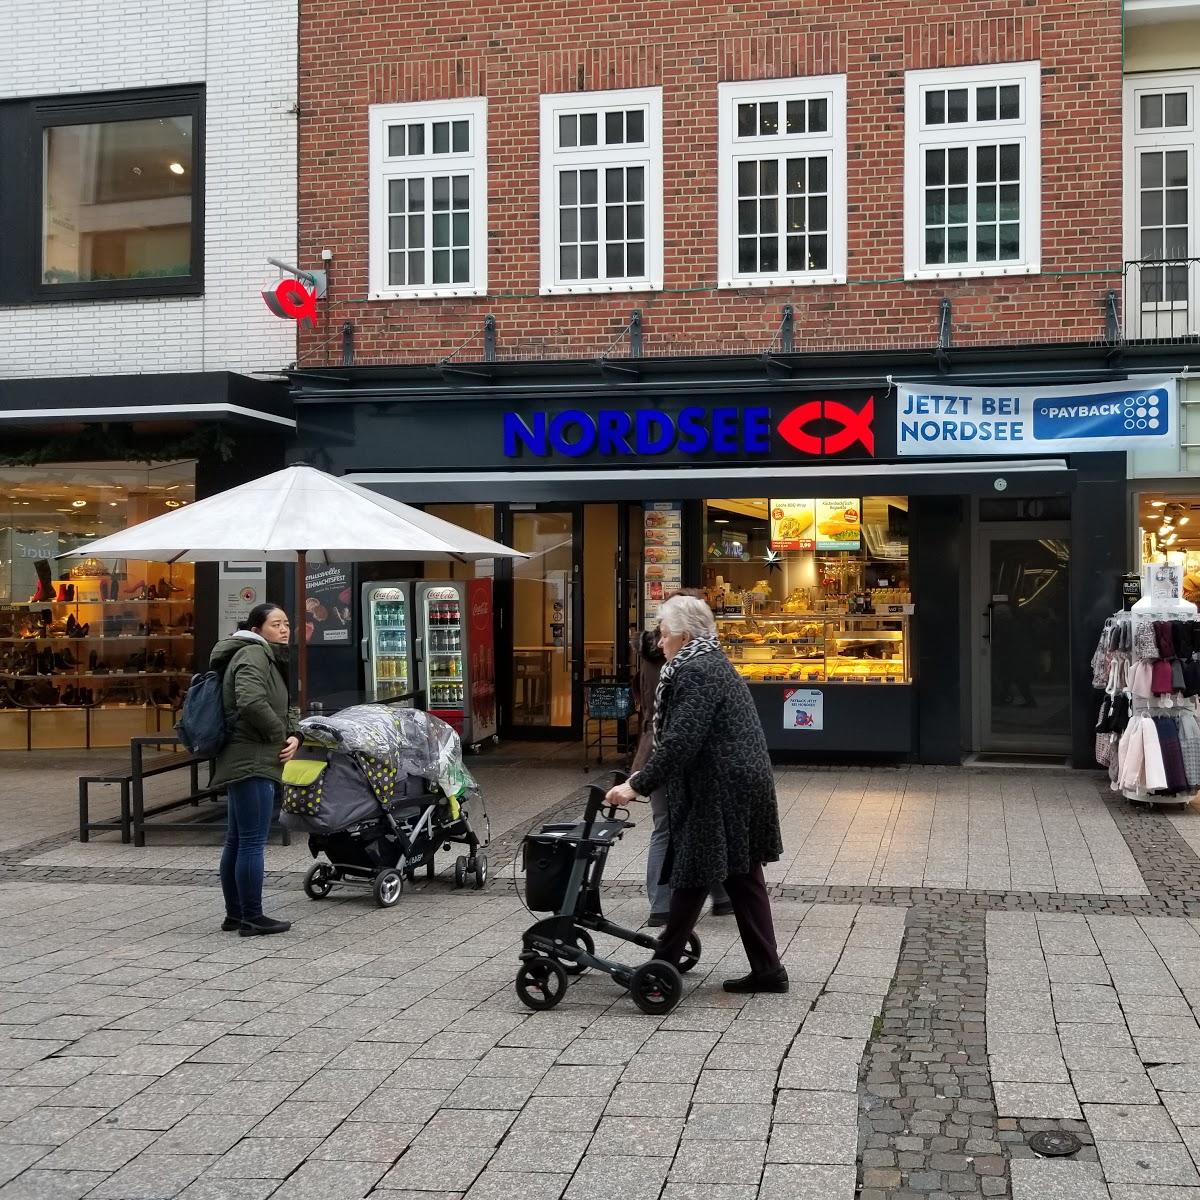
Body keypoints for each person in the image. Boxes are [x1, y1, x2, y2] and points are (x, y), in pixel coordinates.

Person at [607, 594, 787, 993]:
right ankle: (768, 970)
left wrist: (635, 784)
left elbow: (680, 742)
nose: (659, 640)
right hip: (735, 781)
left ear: (684, 635)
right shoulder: (707, 662)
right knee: (742, 875)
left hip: (721, 786)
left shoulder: (696, 671)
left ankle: (661, 966)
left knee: (695, 869)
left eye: (664, 632)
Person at [210, 602, 302, 936]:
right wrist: (280, 737)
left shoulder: (265, 656)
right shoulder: (253, 655)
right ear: (257, 627)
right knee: (250, 841)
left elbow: (276, 703)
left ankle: (235, 915)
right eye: (276, 623)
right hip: (252, 758)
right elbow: (250, 702)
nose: (284, 629)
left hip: (249, 756)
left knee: (237, 839)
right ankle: (251, 916)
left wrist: (296, 733)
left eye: (287, 622)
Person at [633, 627, 732, 927]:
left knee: (673, 824)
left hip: (655, 745)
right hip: (672, 750)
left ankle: (665, 904)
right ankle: (693, 899)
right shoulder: (682, 661)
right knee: (683, 824)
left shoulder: (649, 654)